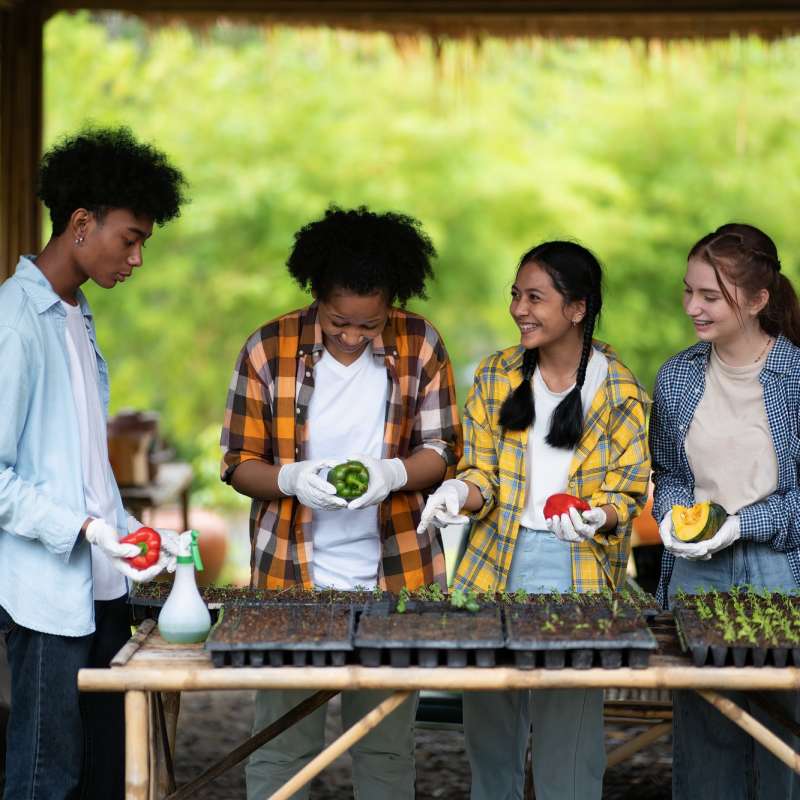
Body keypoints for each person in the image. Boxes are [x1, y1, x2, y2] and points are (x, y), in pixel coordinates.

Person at [220, 205, 462, 799]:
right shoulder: (266, 349)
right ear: (315, 293)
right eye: (337, 324)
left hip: (393, 579)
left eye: (369, 325)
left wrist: (394, 473)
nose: (353, 336)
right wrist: (290, 480)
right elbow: (236, 463)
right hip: (290, 583)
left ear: (392, 304)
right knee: (281, 744)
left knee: (385, 745)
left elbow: (444, 449)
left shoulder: (421, 342)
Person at [419, 240, 651, 800]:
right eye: (516, 295)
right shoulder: (497, 374)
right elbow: (482, 476)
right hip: (495, 562)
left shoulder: (618, 389)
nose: (520, 308)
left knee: (568, 746)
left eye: (536, 297)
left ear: (577, 308)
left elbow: (630, 491)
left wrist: (599, 516)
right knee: (490, 738)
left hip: (580, 571)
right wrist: (457, 491)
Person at [0, 127, 186, 800]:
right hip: (44, 594)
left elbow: (80, 463)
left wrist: (133, 533)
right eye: (130, 239)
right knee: (46, 777)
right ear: (82, 224)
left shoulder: (76, 317)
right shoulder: (14, 320)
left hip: (103, 586)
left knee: (109, 772)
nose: (136, 258)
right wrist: (83, 529)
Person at [651, 223, 800, 800]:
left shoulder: (794, 377)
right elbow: (670, 475)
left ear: (759, 300)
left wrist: (742, 524)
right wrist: (669, 517)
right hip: (696, 573)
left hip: (779, 572)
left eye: (710, 296)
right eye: (689, 291)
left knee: (782, 740)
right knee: (705, 737)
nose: (693, 306)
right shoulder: (677, 376)